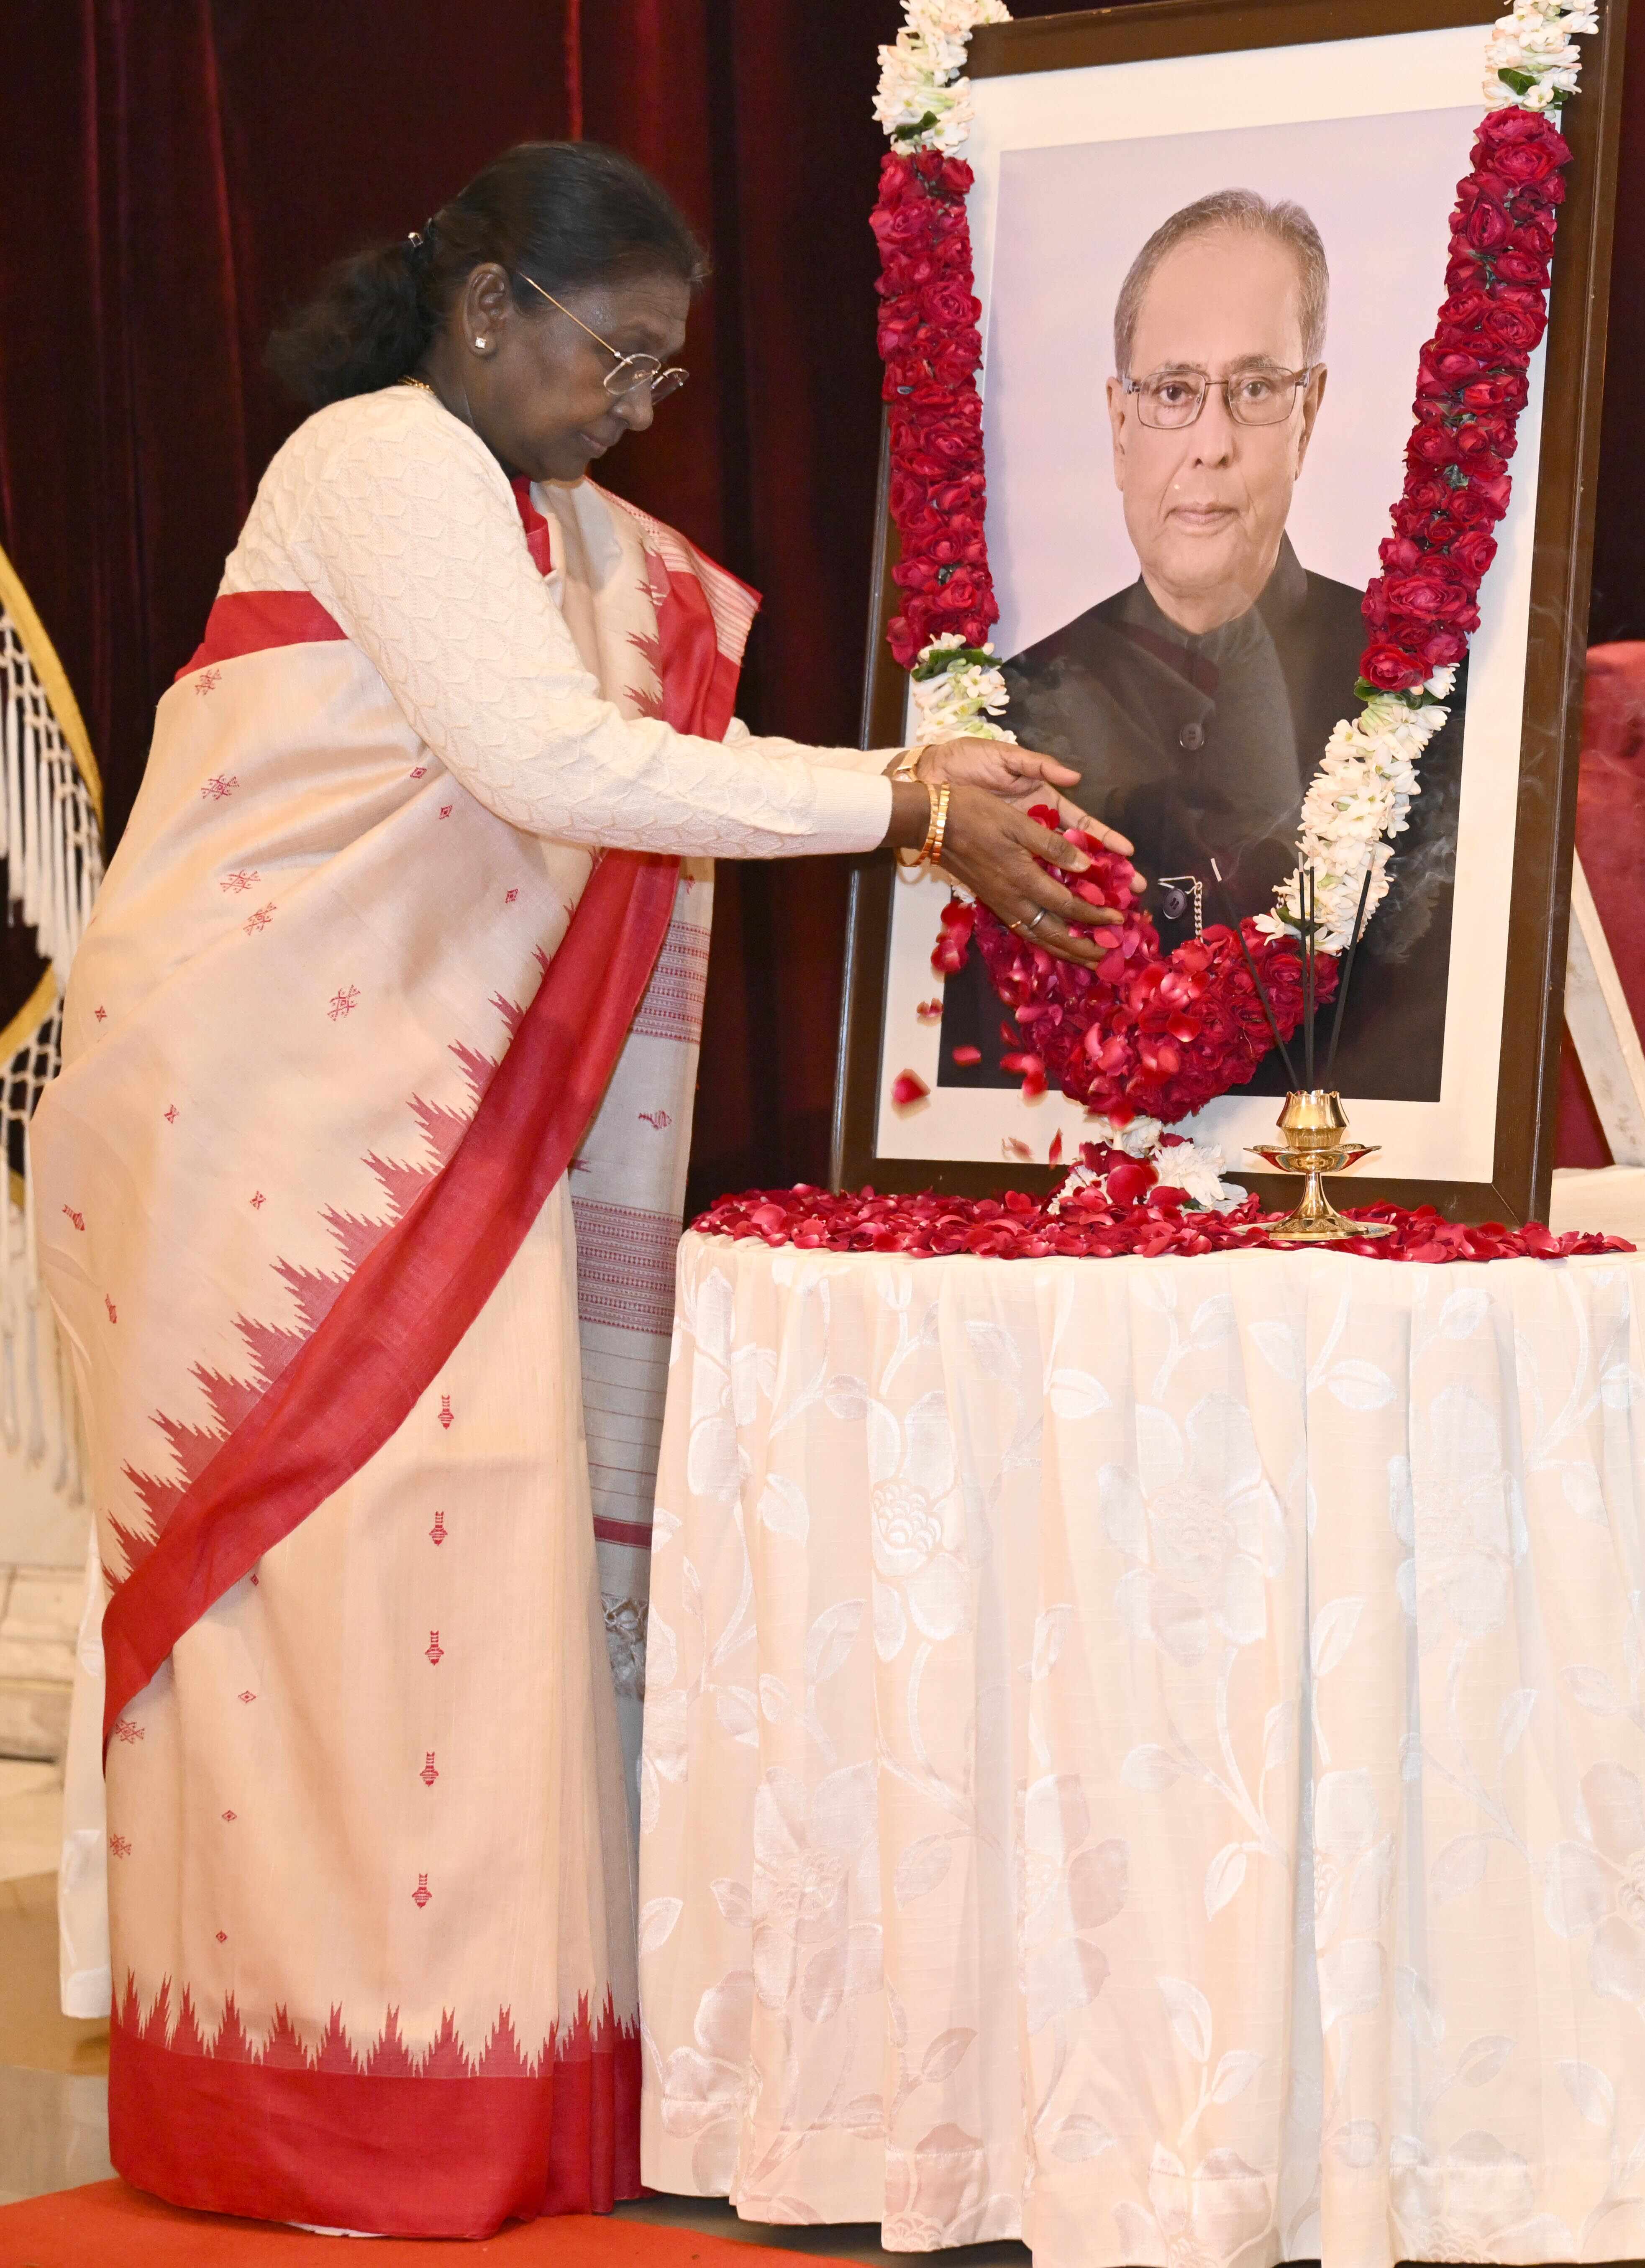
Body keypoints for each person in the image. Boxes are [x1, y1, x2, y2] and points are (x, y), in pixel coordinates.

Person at [27, 142, 1127, 2241]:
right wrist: (897, 800)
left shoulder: (551, 521)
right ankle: (309, 2120)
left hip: (443, 1112)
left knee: (473, 1590)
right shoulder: (380, 461)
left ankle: (495, 2104)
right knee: (319, 1599)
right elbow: (546, 764)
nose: (637, 407)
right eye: (616, 356)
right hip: (283, 1116)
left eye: (665, 373)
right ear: (485, 312)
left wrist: (910, 797)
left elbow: (619, 752)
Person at [940, 187, 1462, 1104]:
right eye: (1174, 392)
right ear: (1119, 423)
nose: (1210, 446)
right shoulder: (1001, 715)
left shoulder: (1426, 692)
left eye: (1256, 389)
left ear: (1309, 414)